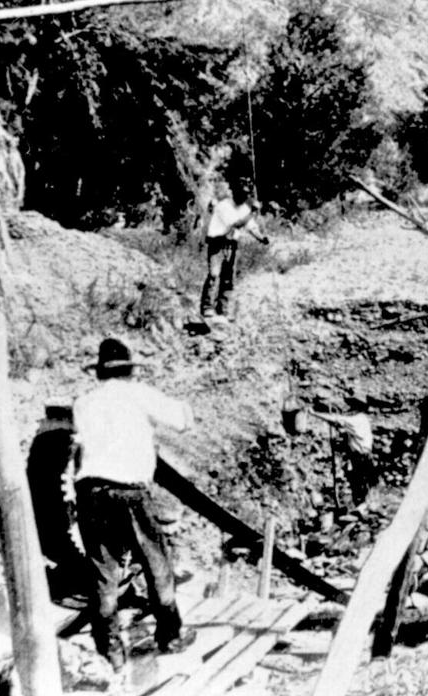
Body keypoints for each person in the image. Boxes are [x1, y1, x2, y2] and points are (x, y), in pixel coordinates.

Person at [73, 338, 196, 670]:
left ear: (100, 372)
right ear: (129, 370)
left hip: (91, 491)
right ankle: (170, 635)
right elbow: (184, 420)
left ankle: (110, 653)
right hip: (129, 489)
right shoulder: (138, 394)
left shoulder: (83, 403)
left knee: (103, 570)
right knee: (155, 560)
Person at [200, 179, 269, 320]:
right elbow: (236, 224)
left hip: (231, 245)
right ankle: (207, 307)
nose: (245, 197)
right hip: (217, 243)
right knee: (214, 274)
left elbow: (250, 226)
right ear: (235, 191)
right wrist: (253, 212)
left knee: (228, 278)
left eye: (247, 194)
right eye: (242, 193)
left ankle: (223, 309)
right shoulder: (224, 206)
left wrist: (261, 238)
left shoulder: (244, 208)